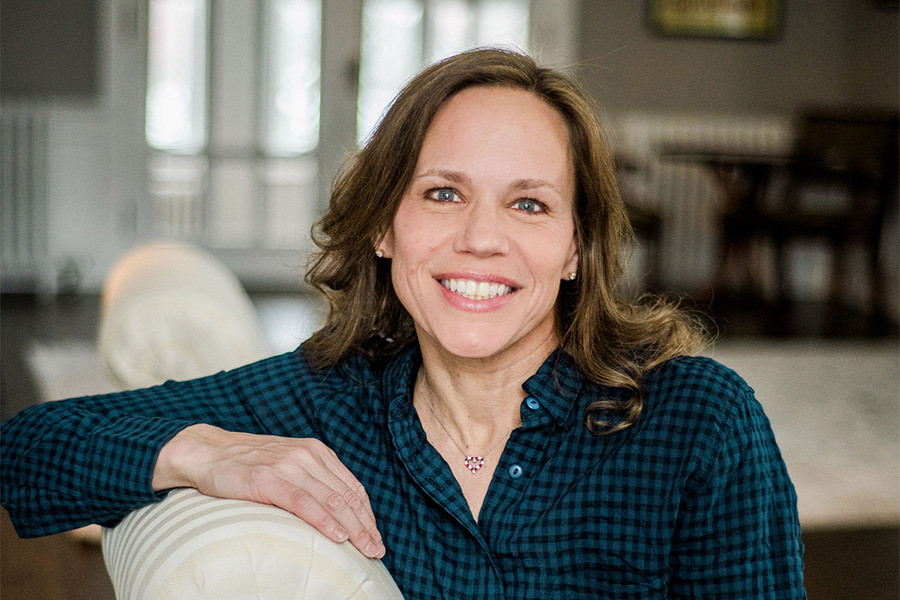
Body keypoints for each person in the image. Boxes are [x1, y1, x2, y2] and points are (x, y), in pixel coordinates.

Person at [1, 48, 805, 598]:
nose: (481, 239)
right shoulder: (328, 401)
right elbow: (29, 451)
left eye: (528, 204)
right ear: (385, 227)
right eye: (443, 193)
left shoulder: (700, 422)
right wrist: (204, 452)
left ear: (575, 249)